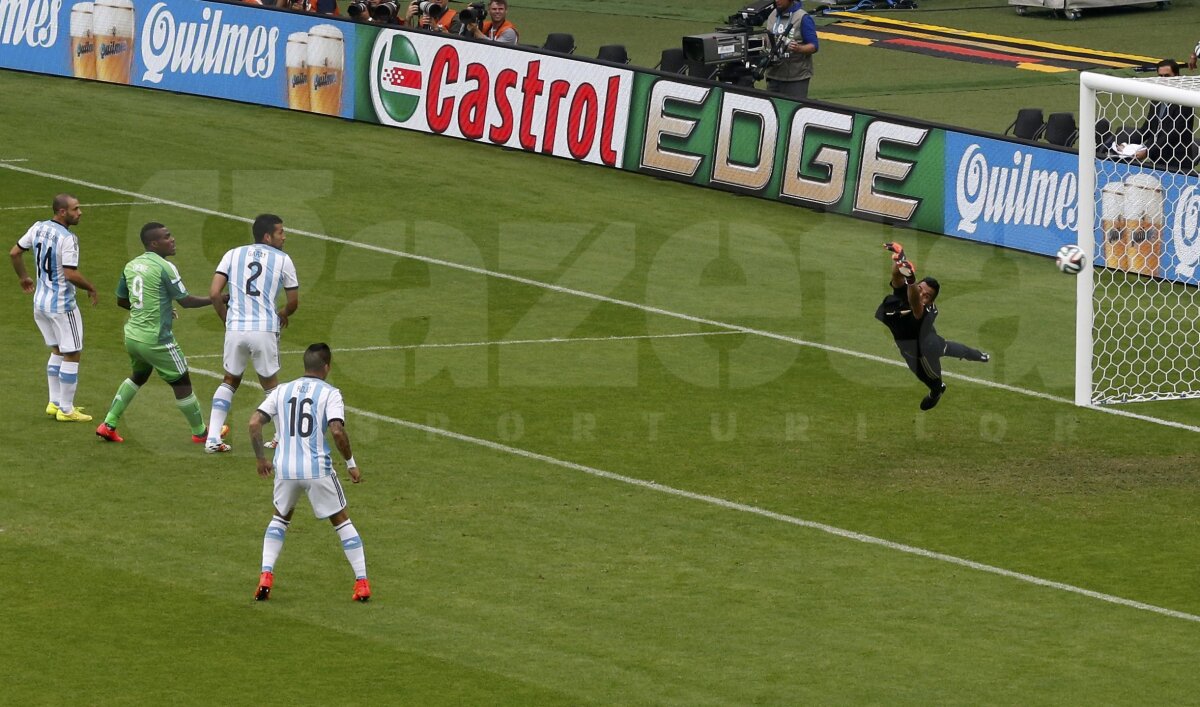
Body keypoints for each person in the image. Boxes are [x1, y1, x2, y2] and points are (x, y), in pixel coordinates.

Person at [248, 343, 370, 602]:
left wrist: (261, 459)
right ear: (326, 367)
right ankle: (361, 582)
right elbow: (337, 430)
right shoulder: (330, 393)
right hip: (316, 469)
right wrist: (350, 463)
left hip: (285, 469)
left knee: (280, 519)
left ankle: (266, 574)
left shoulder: (281, 390)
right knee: (342, 521)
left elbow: (254, 423)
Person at [95, 222, 226, 444]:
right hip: (156, 340)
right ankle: (201, 432)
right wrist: (218, 298)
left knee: (139, 376)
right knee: (182, 382)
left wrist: (149, 308)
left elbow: (121, 299)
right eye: (167, 237)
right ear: (154, 243)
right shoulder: (165, 267)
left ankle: (108, 424)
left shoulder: (132, 265)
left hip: (133, 336)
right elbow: (186, 301)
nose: (172, 239)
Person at [204, 214, 300, 454]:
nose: (284, 236)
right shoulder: (283, 260)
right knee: (271, 385)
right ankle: (282, 438)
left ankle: (212, 438)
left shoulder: (232, 254)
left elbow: (215, 294)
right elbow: (293, 302)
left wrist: (227, 319)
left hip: (236, 328)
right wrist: (283, 313)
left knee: (229, 380)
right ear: (267, 236)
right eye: (281, 232)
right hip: (264, 328)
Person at [9, 194, 100, 422]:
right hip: (62, 305)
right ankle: (67, 410)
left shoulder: (38, 227)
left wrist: (23, 278)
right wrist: (90, 287)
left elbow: (15, 252)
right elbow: (70, 274)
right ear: (62, 212)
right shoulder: (68, 238)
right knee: (72, 353)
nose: (80, 213)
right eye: (75, 209)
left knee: (58, 350)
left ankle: (54, 402)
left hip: (40, 303)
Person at [875, 242, 989, 411]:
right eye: (920, 289)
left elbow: (915, 303)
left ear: (931, 301)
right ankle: (979, 355)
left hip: (921, 353)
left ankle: (938, 390)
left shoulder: (924, 309)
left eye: (927, 295)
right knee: (947, 347)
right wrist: (900, 260)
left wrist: (912, 279)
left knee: (934, 380)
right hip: (923, 340)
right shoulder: (907, 291)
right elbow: (896, 277)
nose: (922, 295)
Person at [1114, 60, 1196, 173]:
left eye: (1167, 76)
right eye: (1160, 76)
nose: (1163, 80)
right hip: (1157, 159)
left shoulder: (1185, 101)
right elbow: (1147, 128)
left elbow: (1173, 133)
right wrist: (1127, 147)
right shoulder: (1156, 99)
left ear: (1177, 76)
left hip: (1177, 162)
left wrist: (1147, 152)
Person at [762, 0, 818, 99]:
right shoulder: (772, 14)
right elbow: (767, 37)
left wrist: (799, 48)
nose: (777, 0)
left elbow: (814, 46)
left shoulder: (802, 17)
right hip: (774, 75)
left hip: (796, 78)